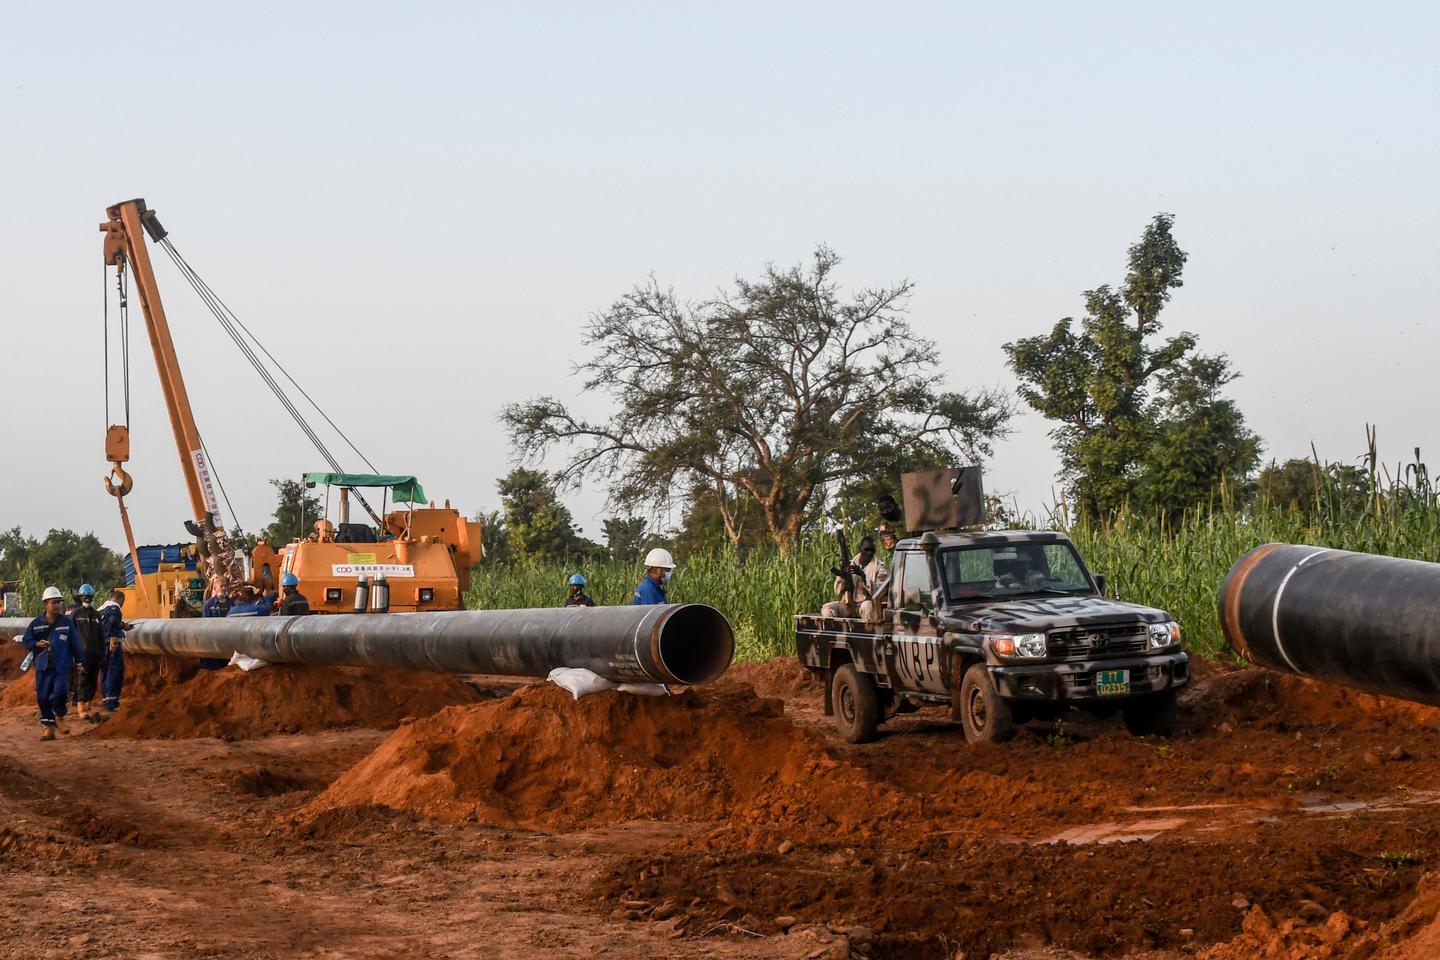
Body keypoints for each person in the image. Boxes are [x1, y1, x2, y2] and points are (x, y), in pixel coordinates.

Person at [21, 586, 80, 740]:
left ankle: (59, 717)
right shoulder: (36, 623)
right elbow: (27, 640)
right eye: (54, 602)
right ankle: (48, 727)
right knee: (43, 696)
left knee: (60, 692)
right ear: (45, 604)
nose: (57, 605)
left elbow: (75, 643)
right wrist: (36, 644)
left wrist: (80, 661)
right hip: (43, 666)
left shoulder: (66, 622)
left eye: (59, 602)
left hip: (62, 666)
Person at [822, 537, 886, 619]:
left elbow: (880, 591)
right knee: (827, 608)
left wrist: (862, 575)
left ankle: (869, 630)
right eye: (866, 549)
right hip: (847, 604)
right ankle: (832, 631)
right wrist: (843, 576)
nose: (869, 553)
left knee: (867, 606)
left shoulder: (880, 567)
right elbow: (838, 591)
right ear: (861, 549)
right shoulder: (851, 564)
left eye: (872, 550)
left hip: (865, 604)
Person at [68, 584, 106, 723]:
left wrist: (102, 655)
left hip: (95, 654)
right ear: (80, 597)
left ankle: (88, 705)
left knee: (92, 680)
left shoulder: (96, 615)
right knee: (82, 680)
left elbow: (101, 636)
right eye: (84, 596)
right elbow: (70, 634)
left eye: (89, 596)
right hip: (81, 654)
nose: (87, 598)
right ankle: (81, 708)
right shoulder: (76, 615)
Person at [97, 589, 130, 714]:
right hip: (112, 645)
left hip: (101, 646)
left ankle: (106, 699)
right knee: (114, 670)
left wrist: (122, 625)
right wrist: (113, 636)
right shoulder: (115, 609)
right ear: (121, 599)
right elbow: (112, 622)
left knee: (105, 671)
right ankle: (112, 702)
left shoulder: (100, 609)